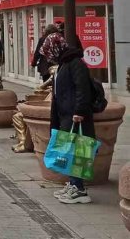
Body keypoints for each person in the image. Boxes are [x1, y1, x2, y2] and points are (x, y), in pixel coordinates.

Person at [43, 32, 95, 204]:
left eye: (49, 51)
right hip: (67, 115)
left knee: (78, 151)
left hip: (76, 116)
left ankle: (79, 189)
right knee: (70, 151)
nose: (48, 56)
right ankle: (74, 184)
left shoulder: (74, 63)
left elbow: (82, 88)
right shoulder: (64, 63)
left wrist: (79, 111)